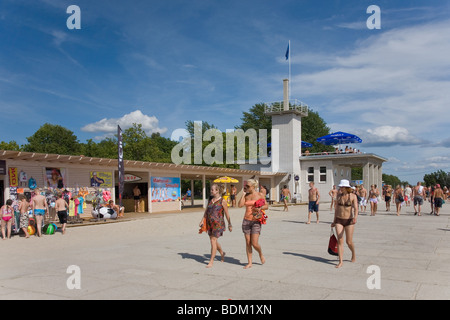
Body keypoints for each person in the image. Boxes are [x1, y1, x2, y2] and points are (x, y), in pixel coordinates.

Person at [199, 184, 232, 268]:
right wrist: (202, 220)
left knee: (213, 241)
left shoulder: (222, 201)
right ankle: (221, 253)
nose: (211, 191)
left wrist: (229, 224)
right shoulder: (210, 200)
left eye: (212, 190)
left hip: (218, 224)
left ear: (217, 191)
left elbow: (227, 214)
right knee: (213, 241)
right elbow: (206, 211)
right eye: (211, 189)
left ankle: (211, 261)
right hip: (210, 224)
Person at [238, 179, 267, 269]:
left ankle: (260, 254)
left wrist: (260, 208)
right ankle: (249, 262)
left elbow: (266, 206)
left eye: (248, 186)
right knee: (248, 242)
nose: (246, 187)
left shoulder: (260, 195)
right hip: (246, 220)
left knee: (254, 243)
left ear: (254, 187)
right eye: (246, 186)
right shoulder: (246, 196)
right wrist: (243, 194)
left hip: (256, 221)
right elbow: (240, 205)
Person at [331, 179, 358, 268]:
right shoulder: (338, 196)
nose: (340, 188)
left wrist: (355, 217)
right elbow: (336, 209)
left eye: (342, 187)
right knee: (340, 239)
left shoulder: (353, 196)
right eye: (340, 187)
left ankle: (353, 253)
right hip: (339, 219)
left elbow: (356, 208)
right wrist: (334, 221)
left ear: (346, 187)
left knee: (349, 242)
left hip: (349, 220)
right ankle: (340, 261)